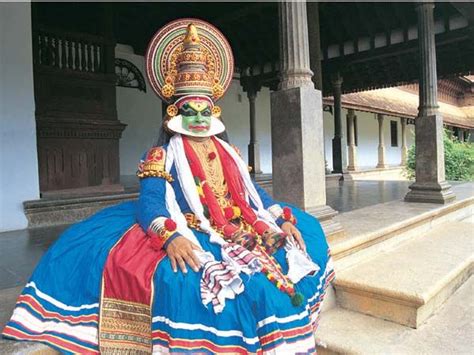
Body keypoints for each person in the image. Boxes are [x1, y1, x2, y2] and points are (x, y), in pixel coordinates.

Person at [2, 19, 334, 354]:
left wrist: (281, 219)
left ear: (215, 111)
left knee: (305, 234)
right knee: (196, 283)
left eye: (205, 110)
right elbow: (151, 205)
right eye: (190, 110)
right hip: (194, 226)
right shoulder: (161, 155)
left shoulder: (229, 152)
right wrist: (171, 237)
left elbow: (252, 195)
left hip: (240, 223)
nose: (199, 118)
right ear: (175, 112)